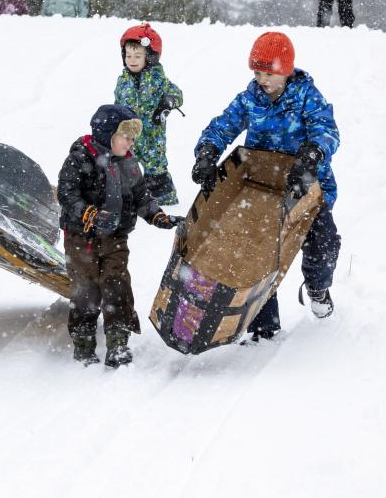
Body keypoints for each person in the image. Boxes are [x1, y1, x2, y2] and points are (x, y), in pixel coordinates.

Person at [191, 32, 340, 342]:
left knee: (322, 244)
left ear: (285, 70)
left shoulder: (306, 96)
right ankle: (263, 325)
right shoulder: (250, 99)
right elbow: (222, 125)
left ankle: (317, 287)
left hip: (308, 187)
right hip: (262, 190)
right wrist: (207, 152)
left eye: (268, 73)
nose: (262, 79)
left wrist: (312, 154)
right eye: (257, 72)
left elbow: (327, 129)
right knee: (260, 253)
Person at [57, 104, 182, 367]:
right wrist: (88, 213)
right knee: (86, 289)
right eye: (126, 136)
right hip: (82, 238)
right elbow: (67, 194)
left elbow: (141, 196)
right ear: (107, 134)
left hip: (115, 237)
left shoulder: (129, 163)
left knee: (117, 286)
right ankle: (83, 343)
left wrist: (156, 215)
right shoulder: (80, 158)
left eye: (133, 138)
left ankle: (118, 344)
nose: (131, 142)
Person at [114, 23, 184, 205]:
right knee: (125, 165)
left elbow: (177, 94)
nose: (132, 60)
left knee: (155, 167)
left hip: (153, 135)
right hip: (129, 135)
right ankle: (129, 197)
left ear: (150, 57)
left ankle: (164, 200)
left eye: (138, 55)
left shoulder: (157, 79)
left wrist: (167, 103)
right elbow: (117, 102)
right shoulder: (123, 81)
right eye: (128, 55)